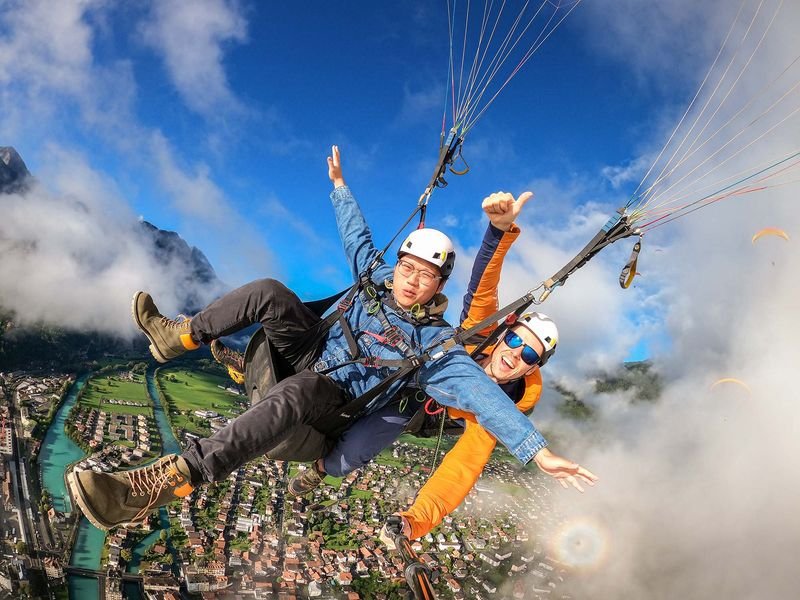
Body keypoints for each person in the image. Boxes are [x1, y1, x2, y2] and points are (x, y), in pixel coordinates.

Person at [67, 146, 590, 531]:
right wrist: (339, 187)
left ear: (438, 285)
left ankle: (161, 483)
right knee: (271, 291)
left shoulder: (434, 346)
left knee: (305, 392)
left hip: (327, 407)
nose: (409, 279)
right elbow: (358, 237)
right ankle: (177, 336)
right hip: (303, 355)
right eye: (406, 266)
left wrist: (536, 451)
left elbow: (477, 392)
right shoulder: (376, 279)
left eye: (423, 274)